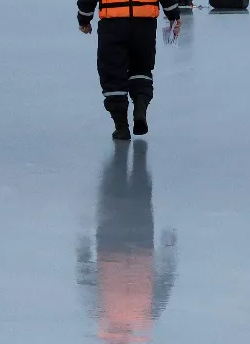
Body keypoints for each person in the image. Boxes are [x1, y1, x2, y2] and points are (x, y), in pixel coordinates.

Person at [77, 0, 182, 140]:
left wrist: (84, 19)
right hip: (144, 25)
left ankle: (121, 126)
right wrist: (174, 15)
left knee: (112, 73)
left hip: (112, 26)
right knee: (142, 69)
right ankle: (141, 110)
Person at [76, 140, 177, 343]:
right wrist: (83, 251)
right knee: (113, 194)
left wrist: (169, 250)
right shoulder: (101, 314)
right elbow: (86, 280)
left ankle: (139, 160)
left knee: (140, 199)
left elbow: (164, 285)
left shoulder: (146, 319)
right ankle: (121, 154)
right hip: (111, 242)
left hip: (140, 245)